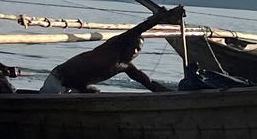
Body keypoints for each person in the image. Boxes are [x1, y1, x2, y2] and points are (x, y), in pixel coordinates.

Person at [41, 8, 182, 94]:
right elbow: (136, 31)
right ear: (125, 45)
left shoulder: (126, 66)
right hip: (59, 80)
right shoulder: (110, 50)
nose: (134, 51)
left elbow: (148, 83)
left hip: (76, 87)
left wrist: (173, 94)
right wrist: (156, 19)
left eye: (138, 50)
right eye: (132, 47)